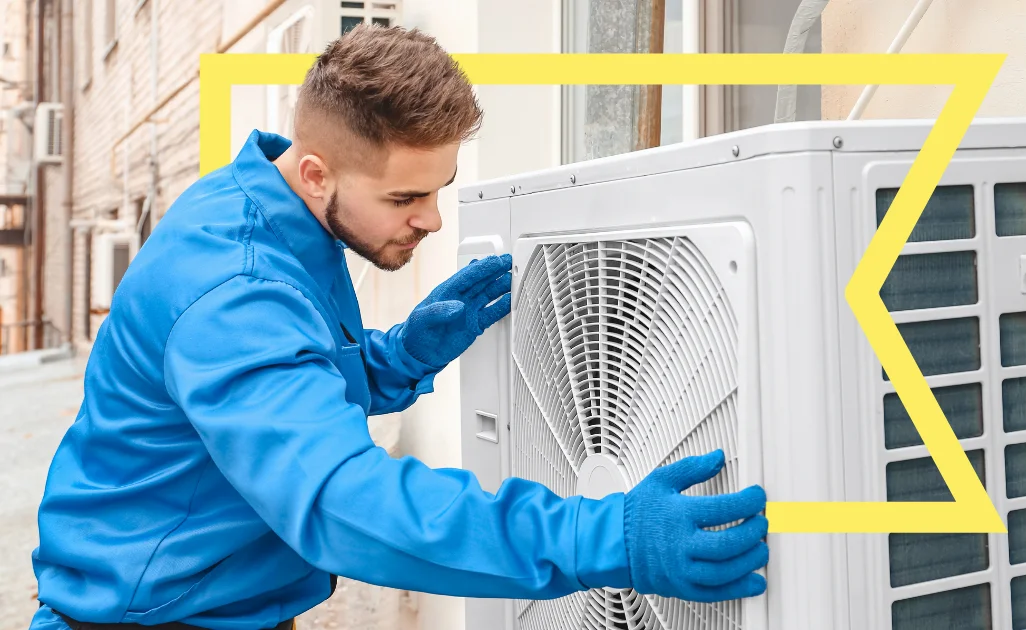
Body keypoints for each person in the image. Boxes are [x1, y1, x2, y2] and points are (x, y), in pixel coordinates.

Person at [29, 24, 769, 630]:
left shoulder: (274, 209)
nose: (432, 219)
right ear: (317, 174)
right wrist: (602, 537)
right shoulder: (232, 290)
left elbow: (284, 389)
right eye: (405, 196)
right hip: (148, 616)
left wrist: (397, 358)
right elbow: (343, 504)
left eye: (440, 188)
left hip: (215, 597)